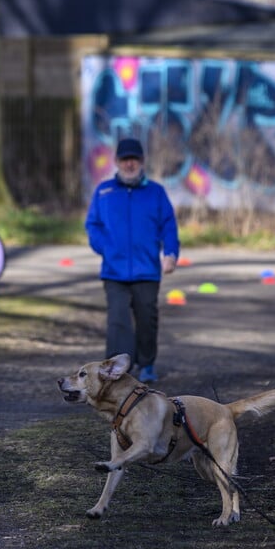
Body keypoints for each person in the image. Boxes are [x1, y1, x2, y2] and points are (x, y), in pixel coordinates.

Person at [85, 137, 179, 383]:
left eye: (134, 160)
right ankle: (116, 370)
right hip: (114, 271)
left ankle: (146, 364)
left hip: (147, 270)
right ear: (116, 162)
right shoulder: (104, 191)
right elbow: (92, 224)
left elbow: (169, 225)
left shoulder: (156, 192)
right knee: (118, 320)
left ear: (142, 162)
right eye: (125, 160)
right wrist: (104, 247)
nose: (129, 164)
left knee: (146, 319)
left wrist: (171, 253)